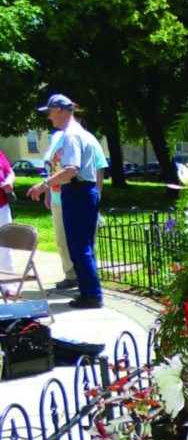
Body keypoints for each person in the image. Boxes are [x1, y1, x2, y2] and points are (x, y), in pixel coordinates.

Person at [27, 94, 103, 309]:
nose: (49, 117)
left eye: (50, 112)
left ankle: (91, 295)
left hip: (77, 192)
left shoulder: (70, 136)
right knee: (84, 246)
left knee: (79, 248)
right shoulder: (83, 134)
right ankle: (89, 292)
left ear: (59, 111)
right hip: (84, 192)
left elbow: (71, 169)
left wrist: (44, 185)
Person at [43, 107, 107, 290]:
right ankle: (73, 277)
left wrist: (96, 199)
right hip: (60, 197)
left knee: (83, 245)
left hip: (79, 196)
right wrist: (48, 189)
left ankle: (88, 286)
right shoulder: (57, 139)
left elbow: (97, 170)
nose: (50, 118)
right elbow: (52, 166)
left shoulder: (81, 138)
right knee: (64, 242)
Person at [0, 148, 16, 273]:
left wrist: (9, 181)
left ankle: (9, 284)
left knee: (6, 245)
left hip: (2, 206)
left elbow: (9, 172)